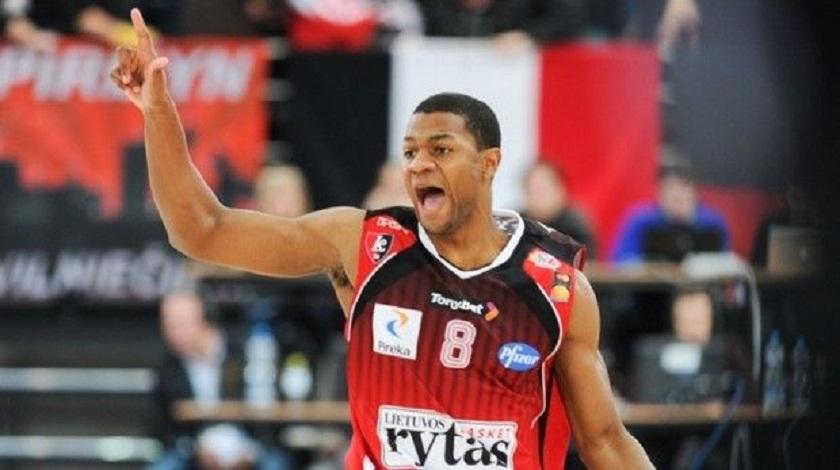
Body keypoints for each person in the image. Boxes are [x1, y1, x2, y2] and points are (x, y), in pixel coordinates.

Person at [112, 9, 652, 468]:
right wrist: (157, 113)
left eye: (440, 150)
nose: (419, 164)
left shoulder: (556, 287)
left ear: (489, 164)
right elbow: (202, 231)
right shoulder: (363, 244)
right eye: (411, 151)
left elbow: (605, 441)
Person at [152, 291, 292, 470]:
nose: (170, 332)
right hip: (193, 452)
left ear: (205, 319)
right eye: (167, 325)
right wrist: (196, 449)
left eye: (179, 324)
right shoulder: (168, 368)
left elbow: (267, 406)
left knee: (276, 464)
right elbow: (161, 426)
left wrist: (250, 451)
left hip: (249, 447)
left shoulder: (245, 352)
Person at [611, 148, 731, 263]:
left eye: (683, 188)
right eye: (670, 189)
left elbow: (726, 265)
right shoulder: (640, 221)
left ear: (695, 192)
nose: (677, 195)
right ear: (659, 192)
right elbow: (620, 261)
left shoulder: (713, 224)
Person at [521, 160, 597, 258]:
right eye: (532, 190)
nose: (538, 197)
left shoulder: (576, 228)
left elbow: (587, 263)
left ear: (561, 190)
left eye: (543, 190)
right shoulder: (517, 224)